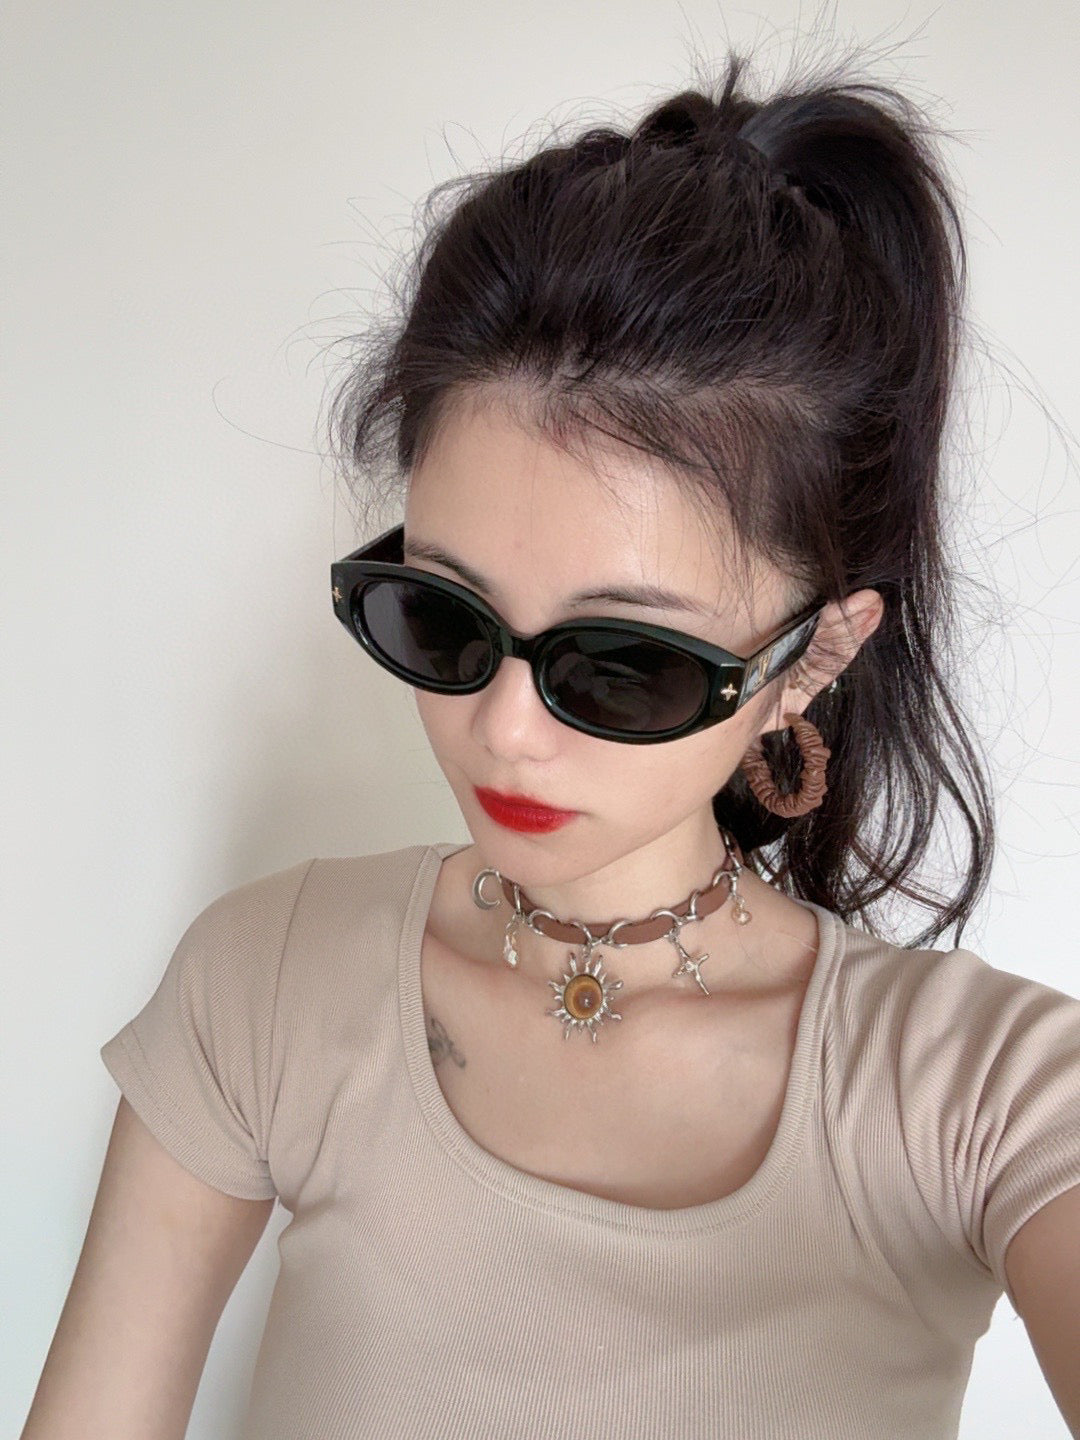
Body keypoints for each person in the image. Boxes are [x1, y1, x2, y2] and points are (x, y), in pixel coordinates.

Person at [21, 46, 1080, 1440]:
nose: (502, 731)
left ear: (815, 657)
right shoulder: (270, 982)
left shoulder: (986, 1095)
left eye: (626, 663)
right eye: (442, 617)